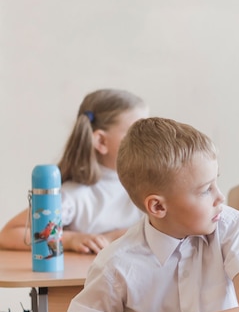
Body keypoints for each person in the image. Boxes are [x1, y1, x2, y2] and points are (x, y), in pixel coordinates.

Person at [64, 117, 239, 312]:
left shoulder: (228, 225)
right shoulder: (116, 263)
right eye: (206, 190)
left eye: (216, 182)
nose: (220, 197)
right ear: (158, 207)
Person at [0, 89, 148, 254]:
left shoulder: (152, 186)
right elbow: (8, 234)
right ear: (101, 141)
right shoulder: (75, 195)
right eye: (136, 133)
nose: (148, 141)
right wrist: (70, 239)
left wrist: (111, 237)